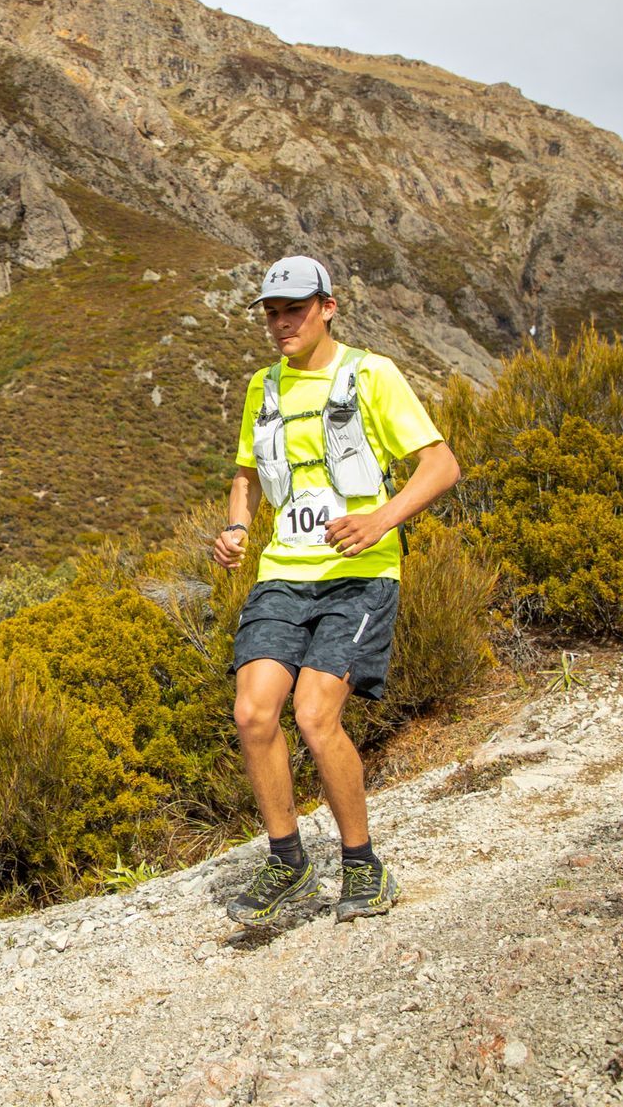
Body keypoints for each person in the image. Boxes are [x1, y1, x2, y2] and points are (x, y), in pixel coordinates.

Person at [212, 254, 460, 924]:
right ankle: (288, 863)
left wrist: (381, 519)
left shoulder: (370, 375)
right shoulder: (262, 387)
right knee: (253, 713)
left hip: (360, 574)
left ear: (328, 307)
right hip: (283, 574)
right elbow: (247, 474)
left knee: (316, 716)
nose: (282, 323)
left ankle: (363, 866)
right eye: (271, 313)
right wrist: (237, 527)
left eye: (294, 309)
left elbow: (441, 465)